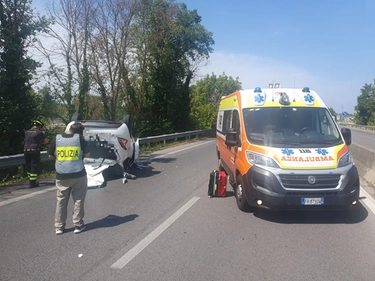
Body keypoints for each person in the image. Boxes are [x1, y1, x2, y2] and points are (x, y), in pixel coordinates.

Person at [48, 122, 90, 235]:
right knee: (78, 200)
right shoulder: (80, 139)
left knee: (61, 201)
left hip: (62, 175)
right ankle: (78, 225)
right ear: (80, 132)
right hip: (78, 175)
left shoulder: (57, 138)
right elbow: (87, 154)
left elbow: (50, 156)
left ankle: (59, 227)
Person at [24, 120, 49, 188]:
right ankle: (33, 183)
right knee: (34, 165)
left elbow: (26, 140)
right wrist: (40, 143)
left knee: (28, 165)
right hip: (34, 150)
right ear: (39, 126)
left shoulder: (26, 132)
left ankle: (30, 180)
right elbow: (46, 141)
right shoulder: (39, 132)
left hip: (26, 150)